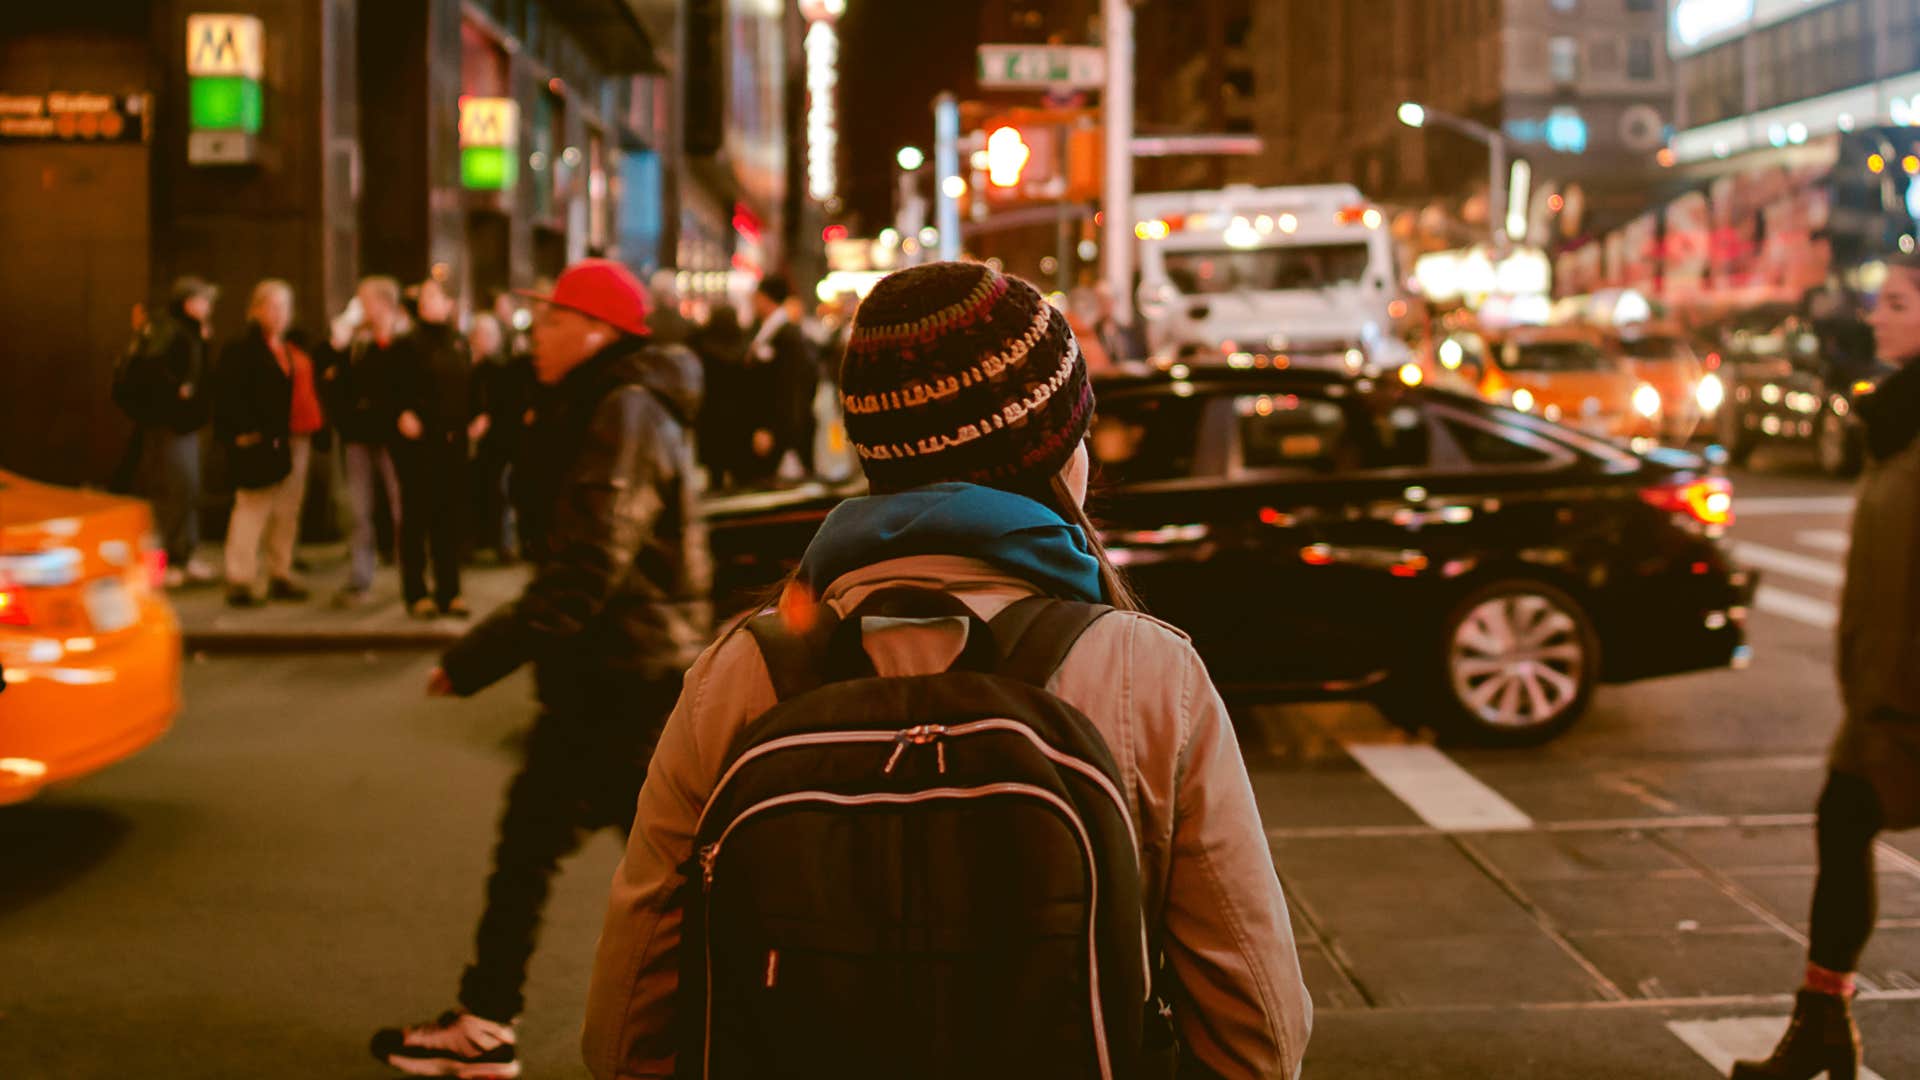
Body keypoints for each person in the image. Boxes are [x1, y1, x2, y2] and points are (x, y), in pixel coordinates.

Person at [580, 262, 1311, 1079]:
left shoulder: (744, 671)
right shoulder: (1145, 671)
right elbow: (1260, 1034)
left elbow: (624, 1031)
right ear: (1052, 455)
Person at [371, 258, 709, 1077]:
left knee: (670, 876)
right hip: (610, 671)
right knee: (553, 852)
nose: (537, 336)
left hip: (622, 677)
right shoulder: (604, 402)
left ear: (597, 331)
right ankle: (486, 1021)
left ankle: (758, 1018)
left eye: (553, 321)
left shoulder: (623, 409)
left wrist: (477, 654)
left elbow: (590, 564)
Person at [1732, 255, 1920, 1080]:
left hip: (1909, 694)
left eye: (1899, 304)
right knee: (1842, 822)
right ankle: (1821, 1021)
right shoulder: (1897, 421)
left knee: (1845, 820)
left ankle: (1822, 1025)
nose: (1876, 317)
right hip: (1883, 690)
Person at [215, 279, 322, 607]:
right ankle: (241, 578)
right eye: (271, 307)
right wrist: (240, 433)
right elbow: (228, 395)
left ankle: (280, 571)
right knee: (253, 505)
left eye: (283, 308)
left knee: (287, 509)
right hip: (259, 439)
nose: (278, 314)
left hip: (294, 437)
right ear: (256, 310)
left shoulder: (291, 350)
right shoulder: (241, 350)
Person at [120, 275, 220, 586]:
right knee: (172, 490)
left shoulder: (189, 332)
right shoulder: (171, 329)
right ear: (189, 303)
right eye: (204, 301)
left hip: (185, 424)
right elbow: (152, 370)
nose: (209, 307)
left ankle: (184, 555)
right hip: (169, 425)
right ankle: (161, 564)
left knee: (187, 489)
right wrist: (178, 391)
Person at [321, 277, 409, 607]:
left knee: (402, 506)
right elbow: (336, 382)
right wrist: (337, 348)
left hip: (393, 437)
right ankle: (360, 576)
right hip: (359, 435)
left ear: (383, 304)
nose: (360, 308)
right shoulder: (357, 342)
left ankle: (409, 574)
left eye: (365, 301)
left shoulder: (402, 341)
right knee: (361, 510)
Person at [467, 312, 531, 564]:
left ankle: (503, 544)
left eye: (489, 335)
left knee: (501, 493)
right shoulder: (471, 367)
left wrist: (488, 418)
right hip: (480, 443)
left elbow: (507, 405)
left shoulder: (502, 369)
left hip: (500, 443)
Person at [746, 275, 817, 482]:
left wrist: (772, 430)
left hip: (780, 433)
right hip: (772, 429)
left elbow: (789, 388)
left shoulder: (786, 336)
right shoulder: (769, 330)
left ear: (765, 298)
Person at [689, 303, 752, 492]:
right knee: (740, 473)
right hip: (738, 417)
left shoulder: (702, 348)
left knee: (715, 472)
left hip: (711, 416)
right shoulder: (743, 347)